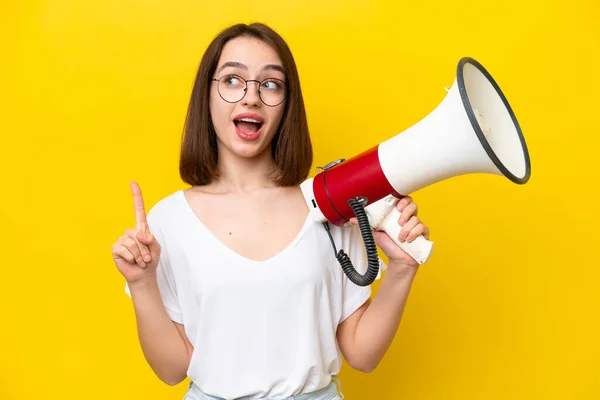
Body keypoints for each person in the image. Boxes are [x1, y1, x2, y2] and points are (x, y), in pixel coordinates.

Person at [112, 22, 430, 400]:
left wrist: (402, 269)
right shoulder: (169, 221)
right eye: (232, 80)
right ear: (207, 96)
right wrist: (141, 282)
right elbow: (171, 370)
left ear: (286, 104)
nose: (251, 98)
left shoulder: (328, 207)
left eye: (270, 84)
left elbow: (362, 354)